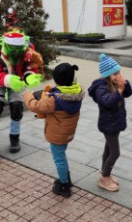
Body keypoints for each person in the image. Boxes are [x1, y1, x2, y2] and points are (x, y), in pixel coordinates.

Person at [23, 63, 85, 198]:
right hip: (68, 132)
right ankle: (65, 177)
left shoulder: (54, 100)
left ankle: (64, 185)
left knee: (59, 159)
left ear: (56, 80)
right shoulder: (76, 92)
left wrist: (28, 95)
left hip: (57, 134)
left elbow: (36, 106)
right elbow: (57, 91)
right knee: (61, 154)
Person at [0, 30, 43, 157]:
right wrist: (8, 80)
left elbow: (29, 66)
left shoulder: (29, 48)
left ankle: (14, 138)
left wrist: (30, 76)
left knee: (17, 106)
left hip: (18, 77)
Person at [88, 54, 132, 192]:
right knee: (115, 152)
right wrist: (119, 89)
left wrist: (124, 84)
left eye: (118, 72)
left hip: (116, 122)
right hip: (108, 124)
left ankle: (104, 172)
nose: (117, 76)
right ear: (107, 75)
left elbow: (128, 93)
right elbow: (108, 102)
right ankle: (104, 178)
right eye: (114, 74)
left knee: (108, 149)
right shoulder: (100, 88)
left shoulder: (114, 83)